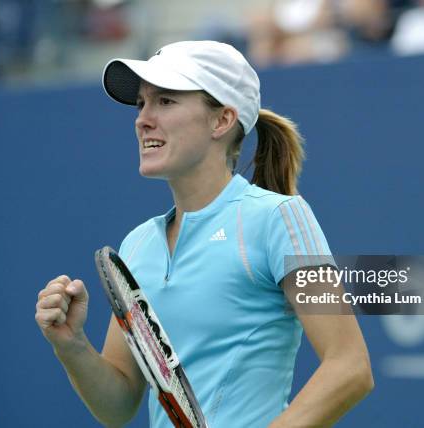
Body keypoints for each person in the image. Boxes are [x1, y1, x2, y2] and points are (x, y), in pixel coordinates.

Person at [35, 40, 373, 427]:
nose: (142, 118)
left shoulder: (278, 218)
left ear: (221, 120)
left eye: (165, 101)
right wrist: (72, 345)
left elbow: (349, 366)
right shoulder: (137, 246)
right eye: (142, 103)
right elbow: (118, 405)